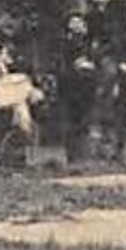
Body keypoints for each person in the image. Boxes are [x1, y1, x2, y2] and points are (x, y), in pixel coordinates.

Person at [87, 0, 126, 160]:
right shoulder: (91, 16)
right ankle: (103, 138)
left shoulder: (121, 12)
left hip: (123, 56)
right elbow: (90, 40)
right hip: (104, 58)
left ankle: (119, 146)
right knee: (106, 88)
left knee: (123, 101)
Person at [55, 11, 98, 162]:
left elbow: (96, 58)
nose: (76, 25)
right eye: (73, 22)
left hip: (87, 85)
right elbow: (61, 62)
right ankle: (72, 156)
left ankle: (85, 154)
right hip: (69, 84)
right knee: (70, 120)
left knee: (85, 120)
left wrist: (90, 64)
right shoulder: (63, 42)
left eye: (79, 22)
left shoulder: (91, 41)